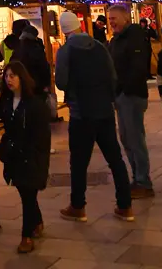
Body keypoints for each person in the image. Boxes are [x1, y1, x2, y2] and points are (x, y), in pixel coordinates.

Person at [55, 12, 133, 222]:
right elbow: (113, 77)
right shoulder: (99, 46)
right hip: (104, 111)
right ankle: (125, 206)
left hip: (81, 113)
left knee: (79, 162)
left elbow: (61, 82)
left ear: (64, 29)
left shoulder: (65, 51)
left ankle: (78, 206)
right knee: (115, 159)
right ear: (79, 26)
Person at [0, 61, 50, 253]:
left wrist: (37, 155)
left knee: (28, 195)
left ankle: (26, 236)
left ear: (22, 78)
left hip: (31, 156)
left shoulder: (34, 104)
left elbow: (41, 136)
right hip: (15, 156)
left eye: (13, 76)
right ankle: (37, 221)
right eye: (7, 76)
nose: (9, 80)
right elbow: (9, 130)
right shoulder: (7, 102)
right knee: (25, 193)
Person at [108, 5, 154, 199]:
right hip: (121, 95)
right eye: (109, 19)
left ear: (126, 18)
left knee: (135, 138)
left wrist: (123, 88)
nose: (111, 22)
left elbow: (137, 67)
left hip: (131, 95)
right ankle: (137, 178)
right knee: (126, 139)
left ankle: (143, 181)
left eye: (114, 18)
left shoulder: (134, 37)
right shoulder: (116, 40)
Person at [10, 25, 51, 98]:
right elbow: (44, 68)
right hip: (36, 87)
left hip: (20, 86)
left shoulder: (17, 49)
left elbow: (12, 65)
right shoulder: (36, 49)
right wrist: (46, 84)